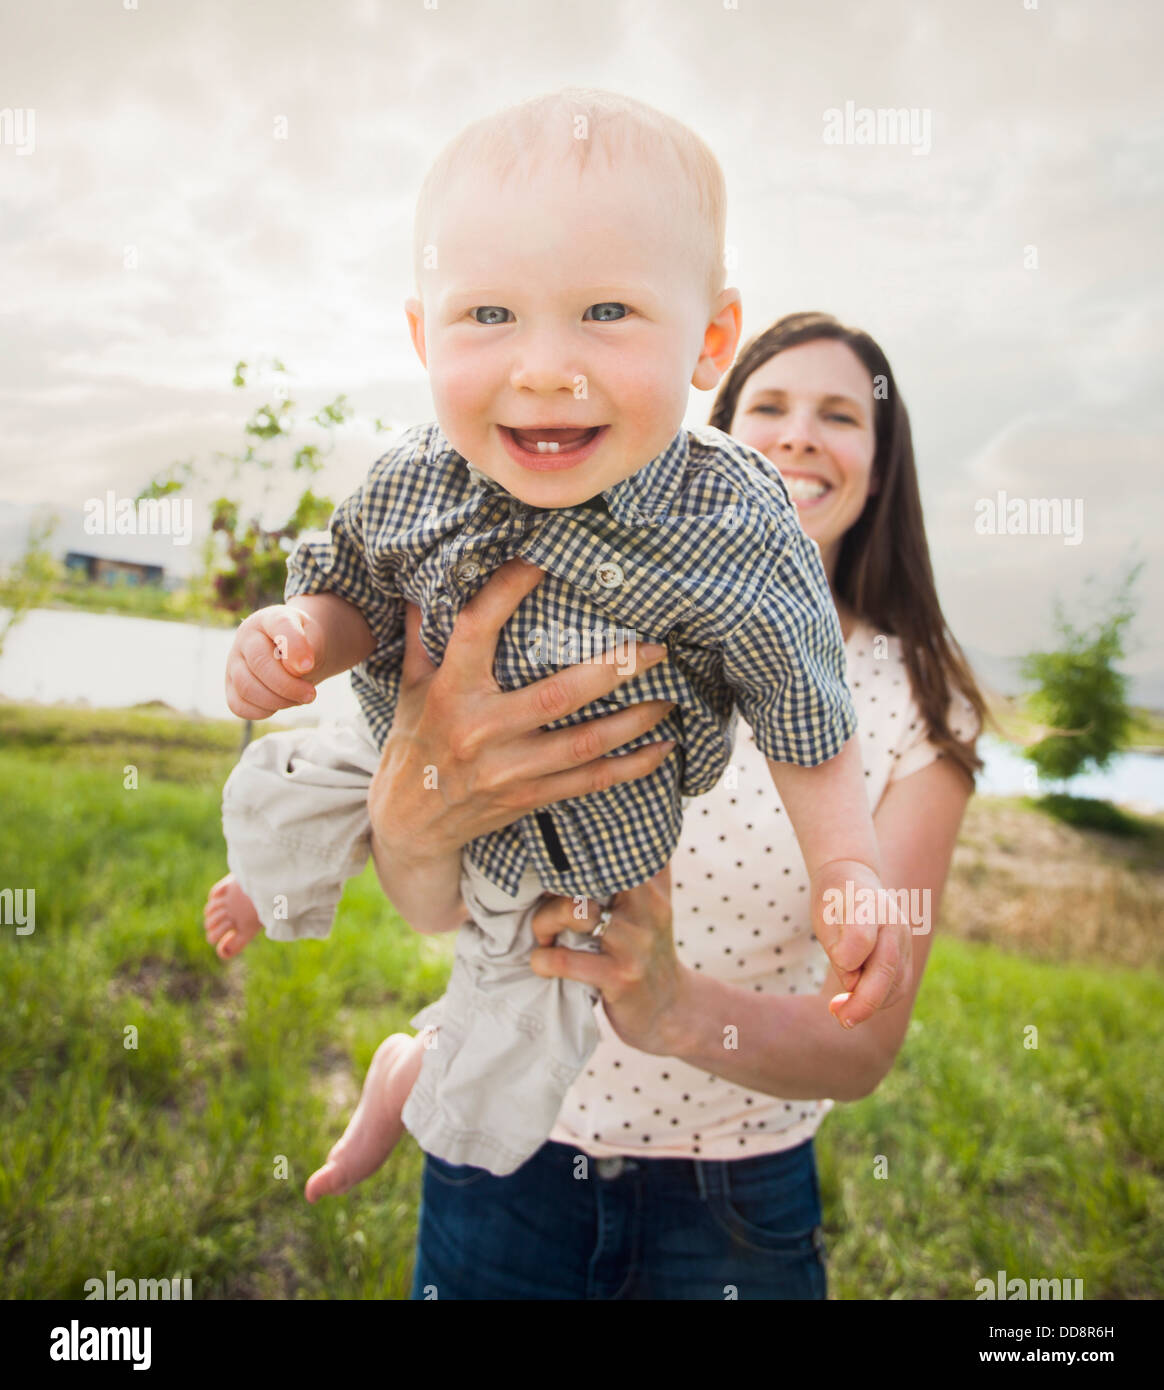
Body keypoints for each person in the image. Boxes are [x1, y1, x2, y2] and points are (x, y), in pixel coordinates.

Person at [202, 88, 902, 1185]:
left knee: (526, 1008)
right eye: (489, 317)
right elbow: (356, 591)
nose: (544, 367)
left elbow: (803, 706)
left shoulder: (732, 520)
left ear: (710, 338)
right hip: (397, 732)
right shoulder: (415, 473)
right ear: (424, 334)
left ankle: (410, 1077)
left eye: (606, 313)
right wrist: (302, 633)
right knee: (300, 776)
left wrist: (849, 862)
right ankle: (279, 882)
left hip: (582, 840)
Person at [372, 311, 987, 1299]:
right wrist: (407, 815)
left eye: (839, 415)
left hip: (734, 1199)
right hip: (507, 1144)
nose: (796, 435)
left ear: (882, 465)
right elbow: (433, 908)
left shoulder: (917, 706)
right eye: (769, 407)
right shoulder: (569, 620)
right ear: (715, 440)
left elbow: (865, 1044)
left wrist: (676, 1007)